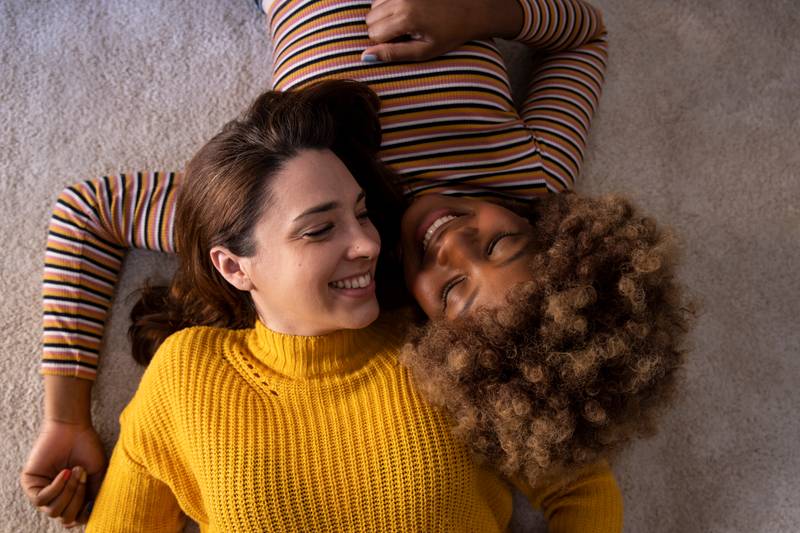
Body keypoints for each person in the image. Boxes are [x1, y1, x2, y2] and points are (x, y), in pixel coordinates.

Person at [20, 0, 644, 529]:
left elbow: (88, 212)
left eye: (454, 290)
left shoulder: (275, 194)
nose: (448, 242)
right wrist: (480, 13)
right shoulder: (533, 178)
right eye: (501, 245)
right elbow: (584, 35)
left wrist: (66, 419)